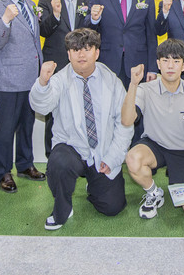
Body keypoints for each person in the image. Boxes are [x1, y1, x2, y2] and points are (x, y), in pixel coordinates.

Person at [29, 28, 133, 230]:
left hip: (102, 152)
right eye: (75, 50)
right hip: (71, 148)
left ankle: (93, 185)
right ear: (68, 54)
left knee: (113, 207)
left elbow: (124, 123)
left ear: (97, 52)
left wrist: (112, 158)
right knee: (59, 163)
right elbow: (41, 106)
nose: (81, 54)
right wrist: (42, 82)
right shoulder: (59, 79)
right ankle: (62, 207)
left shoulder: (111, 80)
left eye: (87, 48)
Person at [122, 39, 184, 219]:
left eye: (176, 61)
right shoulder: (144, 89)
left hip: (183, 151)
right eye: (165, 60)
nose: (170, 66)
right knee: (133, 159)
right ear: (158, 64)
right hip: (155, 145)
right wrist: (133, 84)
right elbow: (127, 120)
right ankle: (153, 193)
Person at [0, 0, 45, 194]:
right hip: (9, 78)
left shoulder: (30, 4)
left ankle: (25, 164)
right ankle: (2, 171)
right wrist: (6, 19)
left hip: (32, 77)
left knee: (27, 125)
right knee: (6, 128)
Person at [37, 0, 92, 156]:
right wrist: (55, 14)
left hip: (83, 65)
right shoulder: (46, 0)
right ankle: (52, 156)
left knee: (83, 111)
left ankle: (82, 156)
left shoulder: (89, 0)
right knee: (54, 112)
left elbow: (94, 32)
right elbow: (43, 30)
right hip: (57, 63)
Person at [86, 0, 158, 88]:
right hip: (107, 62)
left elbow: (151, 35)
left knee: (136, 101)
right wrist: (94, 19)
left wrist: (152, 68)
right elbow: (88, 30)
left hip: (138, 63)